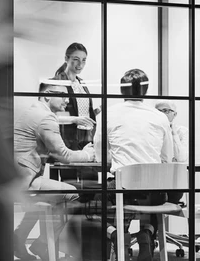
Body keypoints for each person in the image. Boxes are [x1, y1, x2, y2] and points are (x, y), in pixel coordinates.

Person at [94, 69, 174, 261]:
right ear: (145, 91)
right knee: (153, 195)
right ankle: (147, 233)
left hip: (122, 187)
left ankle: (116, 234)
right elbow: (167, 157)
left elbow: (99, 156)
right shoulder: (160, 117)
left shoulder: (107, 114)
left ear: (121, 90)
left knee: (91, 201)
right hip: (155, 189)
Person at [13, 82, 95, 260]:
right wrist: (87, 154)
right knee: (71, 193)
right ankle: (42, 244)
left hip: (15, 176)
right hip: (24, 180)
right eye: (64, 95)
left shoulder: (32, 111)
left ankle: (19, 238)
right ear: (48, 95)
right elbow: (63, 154)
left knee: (53, 196)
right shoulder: (45, 117)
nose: (68, 100)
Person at [52, 43, 99, 183]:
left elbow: (81, 109)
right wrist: (75, 119)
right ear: (66, 58)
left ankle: (88, 204)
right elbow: (51, 114)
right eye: (76, 59)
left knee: (90, 178)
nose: (80, 64)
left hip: (86, 136)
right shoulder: (57, 82)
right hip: (67, 136)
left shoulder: (81, 83)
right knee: (70, 179)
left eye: (84, 60)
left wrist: (94, 112)